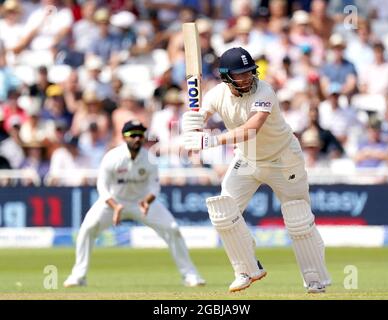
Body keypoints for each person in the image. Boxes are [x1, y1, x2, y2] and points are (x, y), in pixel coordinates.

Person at [181, 47, 331, 293]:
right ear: (227, 77)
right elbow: (201, 116)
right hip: (248, 160)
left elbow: (251, 128)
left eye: (250, 72)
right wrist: (192, 124)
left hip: (283, 160)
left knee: (298, 219)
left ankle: (315, 279)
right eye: (240, 74)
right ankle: (246, 269)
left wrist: (210, 141)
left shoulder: (265, 91)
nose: (247, 78)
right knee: (222, 211)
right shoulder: (216, 94)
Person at [64, 119, 205, 288]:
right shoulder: (112, 157)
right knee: (87, 229)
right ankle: (78, 275)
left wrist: (147, 201)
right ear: (124, 137)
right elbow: (102, 186)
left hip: (141, 203)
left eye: (140, 135)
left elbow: (154, 186)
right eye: (133, 135)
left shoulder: (149, 159)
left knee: (172, 229)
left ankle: (190, 275)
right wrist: (115, 206)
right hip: (113, 202)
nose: (137, 138)